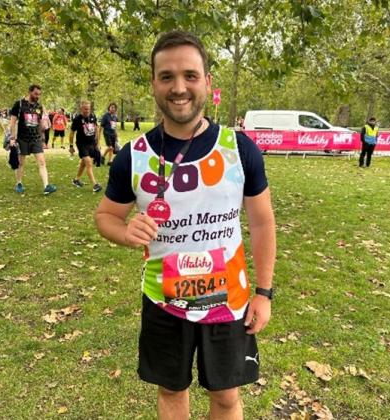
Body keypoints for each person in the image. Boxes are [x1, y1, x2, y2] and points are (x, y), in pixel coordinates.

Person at [95, 31, 276, 420]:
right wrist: (125, 233)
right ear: (154, 84)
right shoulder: (134, 156)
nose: (179, 88)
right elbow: (105, 216)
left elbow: (261, 223)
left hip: (229, 302)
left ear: (208, 83)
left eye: (190, 76)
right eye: (167, 76)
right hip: (164, 301)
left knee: (226, 397)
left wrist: (264, 293)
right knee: (171, 392)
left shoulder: (239, 149)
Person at [9, 84, 57, 195]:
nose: (37, 96)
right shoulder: (19, 104)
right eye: (36, 94)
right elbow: (12, 123)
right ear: (29, 91)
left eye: (39, 94)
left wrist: (43, 138)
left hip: (36, 139)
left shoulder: (38, 106)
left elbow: (40, 123)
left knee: (42, 162)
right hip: (22, 138)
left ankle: (46, 186)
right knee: (21, 163)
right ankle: (19, 183)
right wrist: (12, 138)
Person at [69, 101, 102, 192]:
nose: (87, 111)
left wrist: (98, 143)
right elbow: (72, 133)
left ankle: (76, 180)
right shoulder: (77, 119)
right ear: (81, 109)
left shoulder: (93, 116)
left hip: (91, 143)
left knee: (83, 163)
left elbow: (96, 129)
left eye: (88, 109)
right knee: (88, 162)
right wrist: (71, 146)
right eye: (85, 109)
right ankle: (95, 184)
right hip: (82, 144)